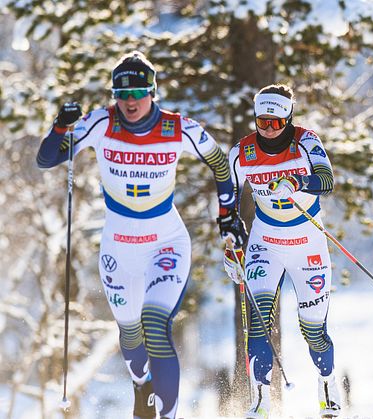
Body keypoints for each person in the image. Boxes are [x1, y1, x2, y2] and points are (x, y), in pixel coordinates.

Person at [36, 51, 247, 419]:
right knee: (131, 339)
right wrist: (60, 127)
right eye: (122, 92)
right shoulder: (100, 123)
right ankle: (141, 383)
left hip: (165, 243)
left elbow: (218, 161)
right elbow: (47, 159)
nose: (130, 101)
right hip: (119, 251)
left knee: (155, 325)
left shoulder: (176, 127)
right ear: (114, 94)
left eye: (137, 92)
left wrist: (228, 215)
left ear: (153, 91)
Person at [223, 84, 342, 418]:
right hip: (266, 243)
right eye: (263, 121)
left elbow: (327, 180)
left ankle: (327, 381)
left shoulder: (306, 141)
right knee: (259, 320)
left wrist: (298, 181)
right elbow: (227, 202)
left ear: (289, 118)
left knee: (313, 331)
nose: (269, 129)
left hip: (308, 245)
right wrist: (230, 244)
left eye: (277, 122)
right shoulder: (242, 153)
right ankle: (260, 399)